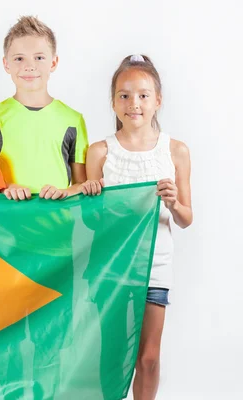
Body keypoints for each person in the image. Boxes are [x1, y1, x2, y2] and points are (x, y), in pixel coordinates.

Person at [82, 54, 193, 400]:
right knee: (112, 356)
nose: (134, 104)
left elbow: (187, 218)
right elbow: (89, 220)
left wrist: (174, 202)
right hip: (111, 265)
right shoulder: (100, 151)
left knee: (148, 357)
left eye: (144, 95)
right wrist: (93, 199)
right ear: (113, 101)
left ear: (158, 100)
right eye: (124, 95)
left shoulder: (175, 151)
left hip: (155, 267)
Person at [0, 15, 88, 202]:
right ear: (6, 64)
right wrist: (6, 187)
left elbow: (82, 185)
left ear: (53, 63)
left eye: (39, 58)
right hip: (4, 226)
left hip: (57, 226)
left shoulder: (73, 120)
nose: (29, 66)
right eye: (19, 58)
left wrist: (63, 192)